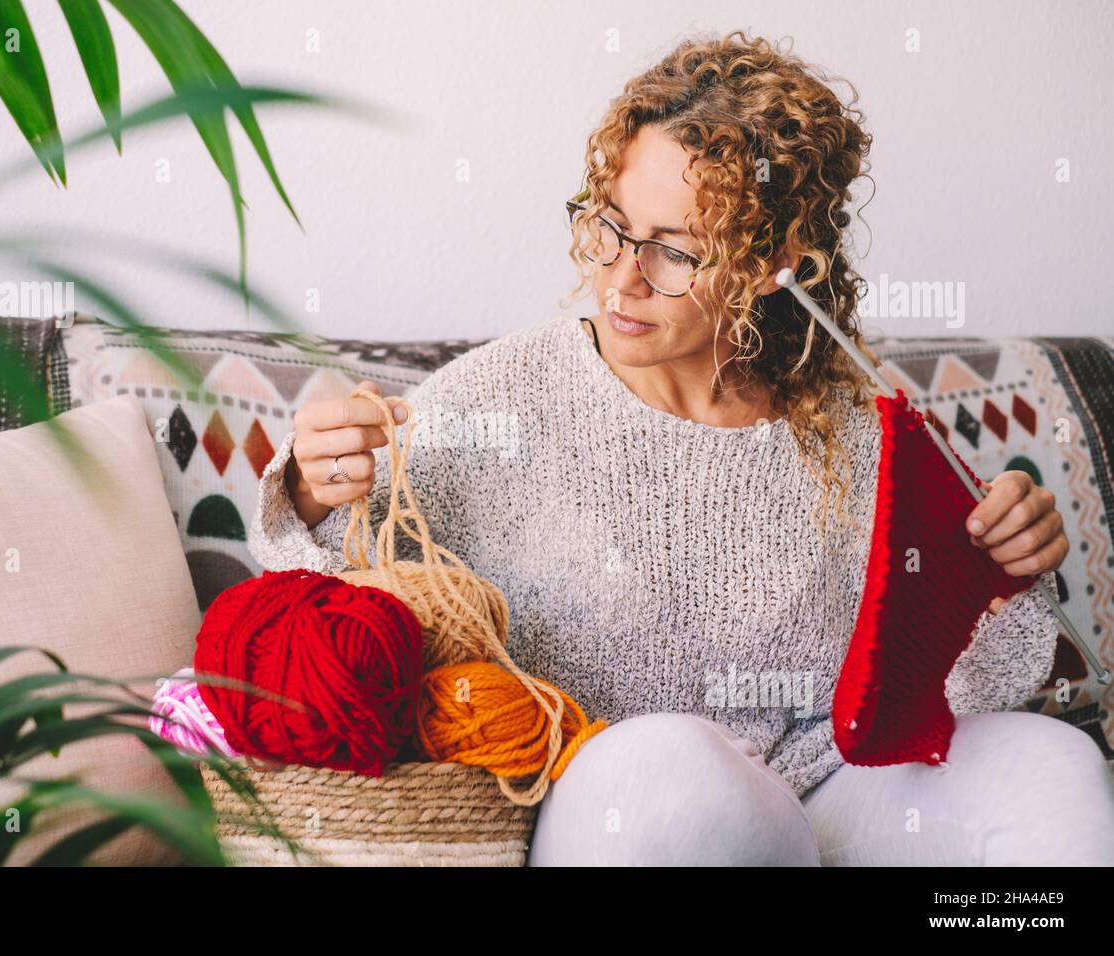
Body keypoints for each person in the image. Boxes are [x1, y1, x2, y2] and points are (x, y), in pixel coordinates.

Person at [249, 30, 1114, 865]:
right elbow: (327, 612)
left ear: (773, 264)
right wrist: (318, 491)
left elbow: (949, 690)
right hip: (620, 809)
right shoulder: (498, 399)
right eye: (613, 227)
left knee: (1051, 766)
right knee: (674, 772)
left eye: (674, 252)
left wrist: (998, 576)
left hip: (828, 802)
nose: (623, 277)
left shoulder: (857, 427)